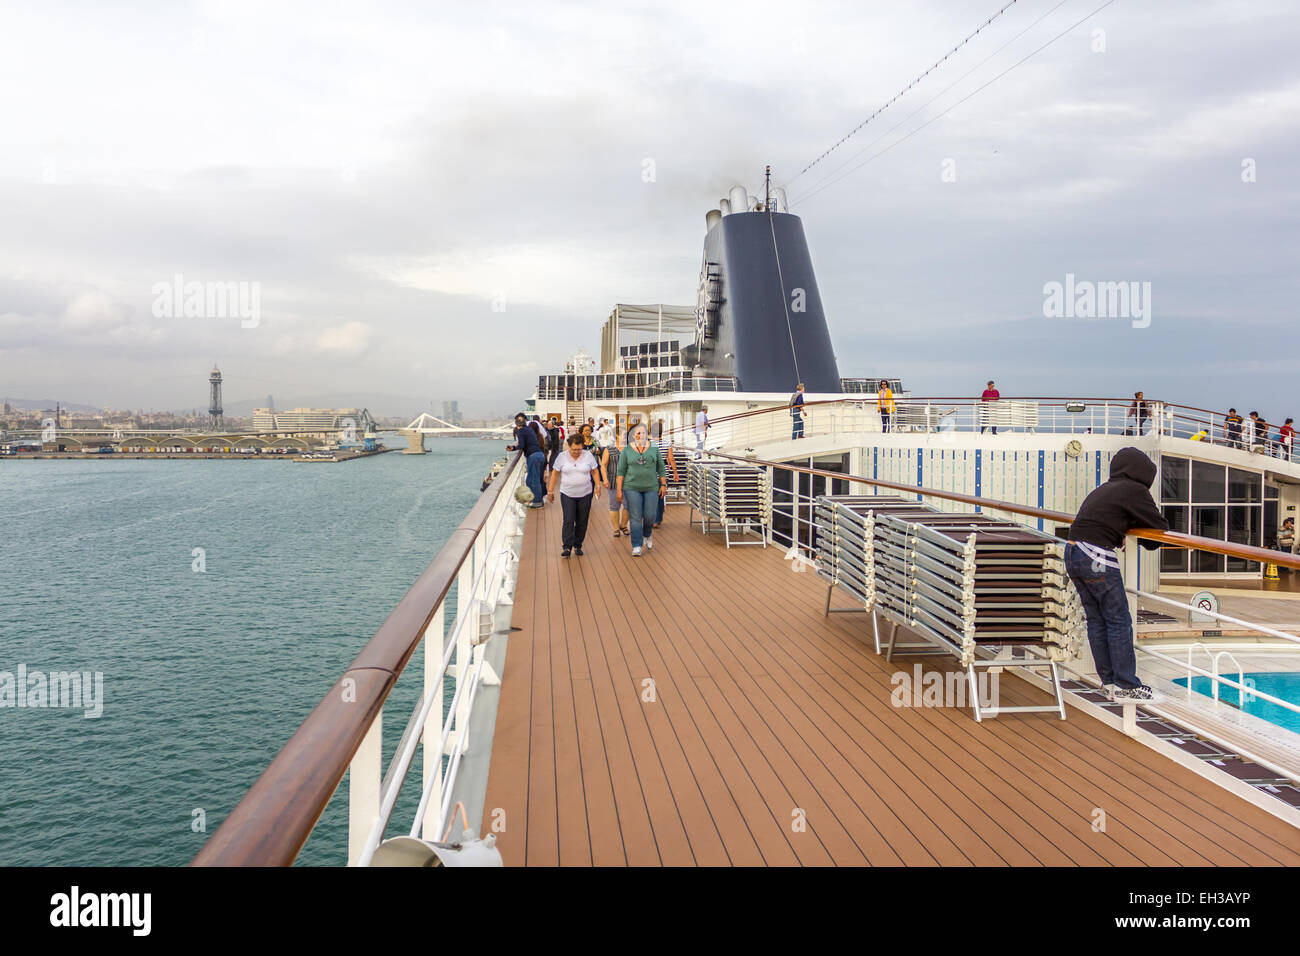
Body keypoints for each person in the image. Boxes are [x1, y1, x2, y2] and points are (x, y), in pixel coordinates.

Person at [1065, 447, 1169, 702]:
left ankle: (1109, 681)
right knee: (1118, 619)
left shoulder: (1105, 488)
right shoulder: (1134, 490)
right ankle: (1126, 684)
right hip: (1096, 556)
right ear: (1145, 474)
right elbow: (1159, 530)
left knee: (1097, 618)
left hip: (1073, 551)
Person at [617, 423, 667, 557]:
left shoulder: (654, 449)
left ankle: (647, 534)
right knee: (635, 516)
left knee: (650, 515)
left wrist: (663, 485)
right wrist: (619, 490)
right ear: (633, 435)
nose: (641, 435)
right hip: (631, 487)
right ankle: (637, 545)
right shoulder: (627, 450)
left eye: (643, 433)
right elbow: (621, 471)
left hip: (651, 487)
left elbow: (661, 468)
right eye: (638, 433)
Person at [548, 433, 601, 557]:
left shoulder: (588, 456)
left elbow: (594, 471)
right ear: (569, 446)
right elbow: (555, 474)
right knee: (569, 520)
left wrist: (598, 486)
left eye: (579, 449)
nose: (577, 452)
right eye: (574, 449)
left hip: (585, 493)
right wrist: (550, 491)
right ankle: (567, 547)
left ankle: (578, 545)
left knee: (582, 521)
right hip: (567, 493)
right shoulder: (562, 457)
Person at [506, 411, 547, 508]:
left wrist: (513, 448)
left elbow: (522, 445)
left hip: (533, 456)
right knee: (529, 480)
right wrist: (514, 448)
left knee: (534, 480)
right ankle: (532, 499)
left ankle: (538, 502)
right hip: (539, 455)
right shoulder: (529, 429)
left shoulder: (521, 431)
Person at [602, 427, 629, 537]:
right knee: (614, 505)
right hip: (613, 481)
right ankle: (616, 529)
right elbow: (603, 465)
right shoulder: (609, 449)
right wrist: (605, 479)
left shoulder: (630, 449)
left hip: (629, 482)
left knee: (629, 505)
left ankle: (623, 525)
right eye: (624, 434)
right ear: (616, 435)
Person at [652, 420, 680, 527]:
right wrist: (675, 472)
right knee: (661, 495)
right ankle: (658, 519)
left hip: (650, 472)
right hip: (663, 471)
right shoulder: (667, 443)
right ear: (661, 432)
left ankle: (653, 519)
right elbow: (671, 459)